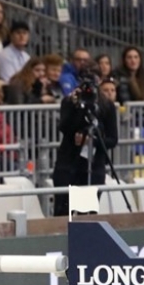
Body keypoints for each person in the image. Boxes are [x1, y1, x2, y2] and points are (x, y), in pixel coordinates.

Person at [52, 78, 118, 216]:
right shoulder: (70, 102)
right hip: (68, 165)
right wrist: (75, 105)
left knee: (86, 214)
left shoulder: (106, 106)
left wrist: (92, 140)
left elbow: (112, 140)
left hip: (93, 167)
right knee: (63, 213)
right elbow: (63, 127)